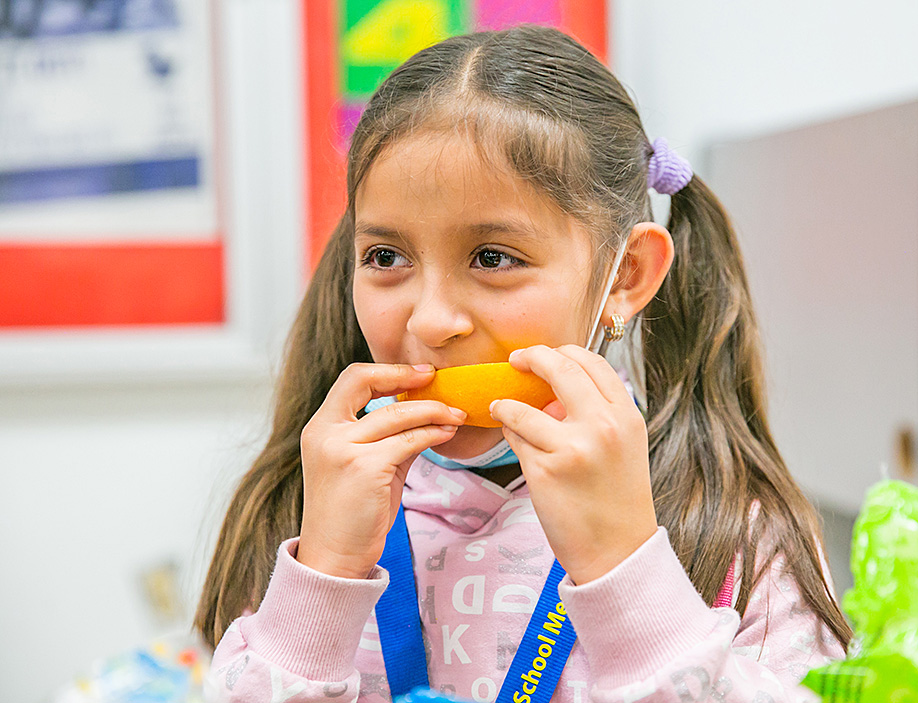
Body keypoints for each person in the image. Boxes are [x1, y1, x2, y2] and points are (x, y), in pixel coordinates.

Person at [196, 24, 850, 703]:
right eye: (386, 257)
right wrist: (323, 580)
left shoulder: (725, 526)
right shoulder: (300, 512)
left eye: (493, 257)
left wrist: (624, 568)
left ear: (623, 276)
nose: (429, 321)